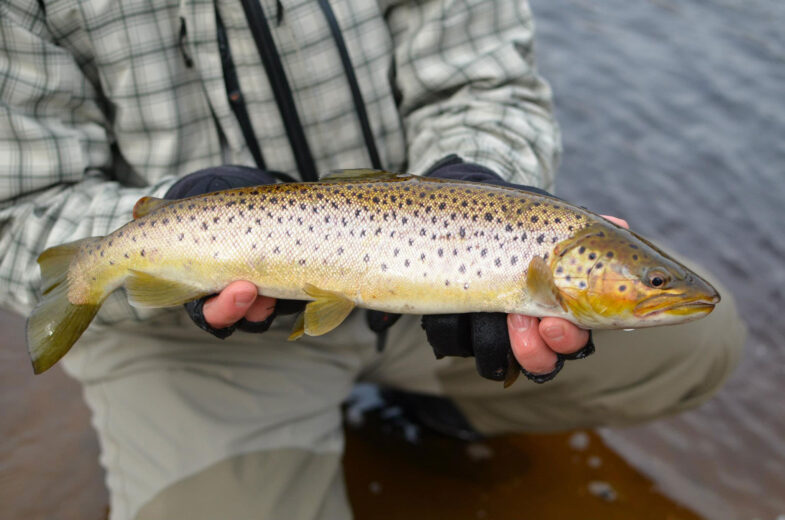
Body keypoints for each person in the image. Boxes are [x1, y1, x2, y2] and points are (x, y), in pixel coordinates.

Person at [0, 0, 744, 519]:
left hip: (411, 299)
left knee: (700, 340)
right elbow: (18, 212)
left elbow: (486, 81)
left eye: (650, 281)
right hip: (193, 343)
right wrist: (173, 217)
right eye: (651, 282)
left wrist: (477, 172)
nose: (661, 287)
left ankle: (427, 406)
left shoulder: (550, 247)